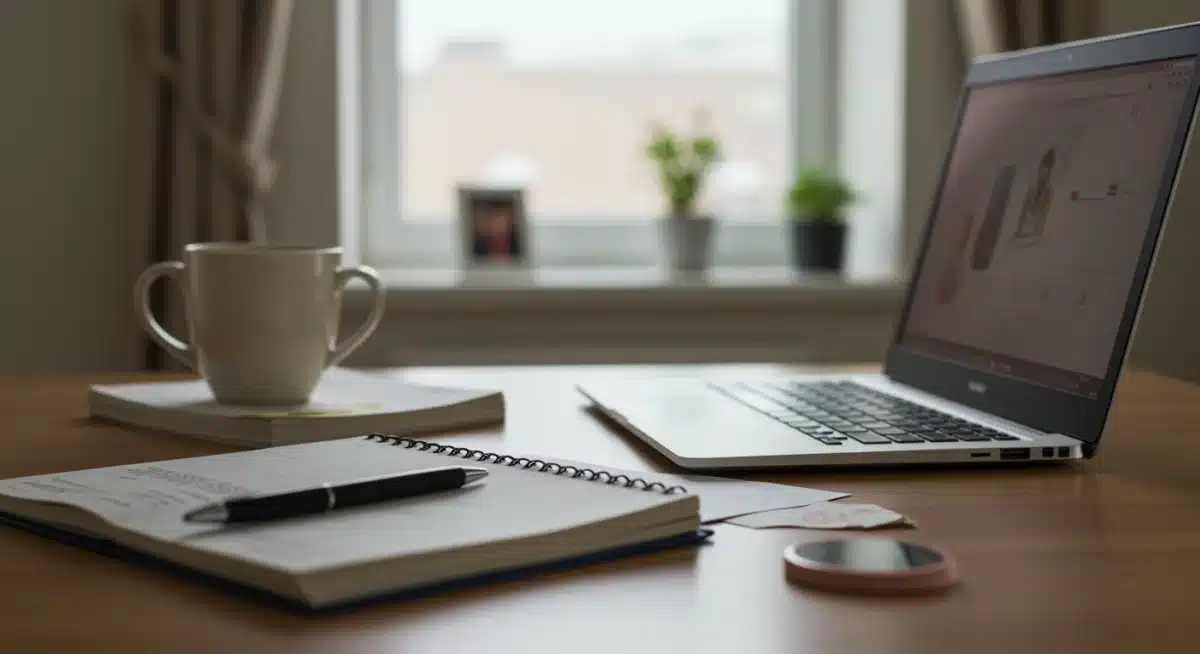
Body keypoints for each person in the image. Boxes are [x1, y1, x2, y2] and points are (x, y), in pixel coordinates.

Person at [1014, 147, 1056, 241]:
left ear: (1049, 173)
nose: (1043, 174)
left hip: (1035, 235)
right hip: (1023, 233)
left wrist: (1037, 232)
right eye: (1042, 169)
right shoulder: (1031, 190)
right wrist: (1019, 229)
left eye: (1046, 171)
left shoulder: (1048, 192)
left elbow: (1044, 214)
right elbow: (1023, 212)